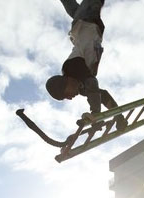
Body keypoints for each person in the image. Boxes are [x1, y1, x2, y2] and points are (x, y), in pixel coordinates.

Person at [46, 0, 126, 129]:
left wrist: (96, 114)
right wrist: (119, 117)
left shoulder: (71, 67)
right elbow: (103, 96)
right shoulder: (83, 87)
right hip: (86, 24)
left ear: (65, 82)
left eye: (66, 95)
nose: (70, 98)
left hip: (86, 21)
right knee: (70, 6)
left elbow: (92, 83)